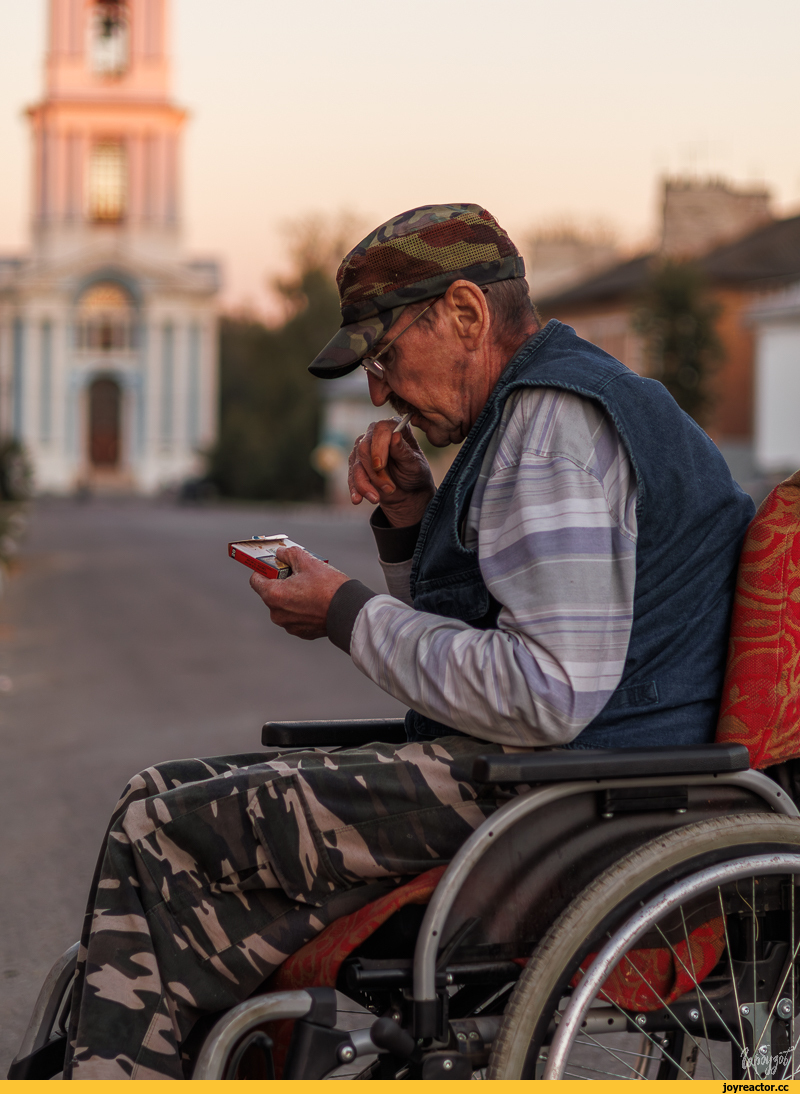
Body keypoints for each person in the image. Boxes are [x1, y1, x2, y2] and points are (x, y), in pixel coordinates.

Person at [63, 204, 754, 1078]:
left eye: (385, 354)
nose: (379, 390)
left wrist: (347, 611)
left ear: (466, 313)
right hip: (563, 773)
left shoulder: (549, 427)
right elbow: (494, 649)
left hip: (573, 792)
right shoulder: (537, 413)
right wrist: (411, 521)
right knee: (155, 794)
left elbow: (542, 693)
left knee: (162, 824)